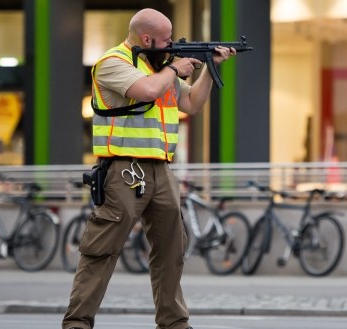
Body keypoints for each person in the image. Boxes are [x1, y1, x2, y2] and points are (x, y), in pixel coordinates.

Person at [62, 8, 235, 329]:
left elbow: (191, 104)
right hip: (122, 169)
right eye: (166, 39)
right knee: (102, 250)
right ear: (146, 39)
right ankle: (77, 324)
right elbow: (147, 91)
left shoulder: (158, 68)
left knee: (172, 251)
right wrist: (175, 67)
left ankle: (174, 323)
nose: (172, 44)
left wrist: (209, 68)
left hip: (160, 170)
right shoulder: (113, 63)